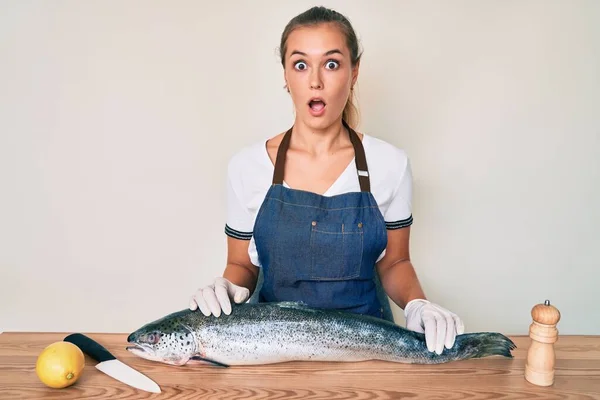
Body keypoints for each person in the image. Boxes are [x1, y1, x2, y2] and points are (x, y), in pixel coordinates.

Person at [189, 6, 464, 355]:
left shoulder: (389, 163)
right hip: (270, 350)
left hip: (368, 349)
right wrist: (226, 287)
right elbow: (242, 264)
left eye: (331, 64)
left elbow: (395, 262)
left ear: (354, 72)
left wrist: (417, 304)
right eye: (300, 65)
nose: (315, 81)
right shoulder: (247, 167)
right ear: (286, 76)